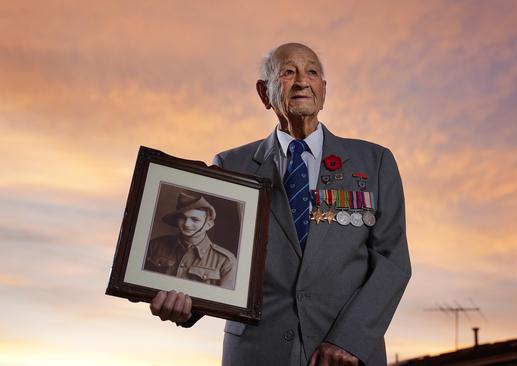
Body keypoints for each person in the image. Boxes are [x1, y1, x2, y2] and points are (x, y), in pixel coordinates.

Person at [149, 43, 411, 366]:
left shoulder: (375, 162)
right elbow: (216, 259)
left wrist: (349, 340)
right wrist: (185, 302)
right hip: (257, 354)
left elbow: (393, 262)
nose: (302, 81)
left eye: (312, 72)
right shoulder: (231, 164)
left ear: (324, 90)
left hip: (347, 358)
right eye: (288, 72)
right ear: (264, 93)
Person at [144, 191, 237, 290]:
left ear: (209, 225)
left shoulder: (226, 261)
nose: (187, 224)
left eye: (195, 219)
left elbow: (223, 301)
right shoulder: (155, 246)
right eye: (183, 218)